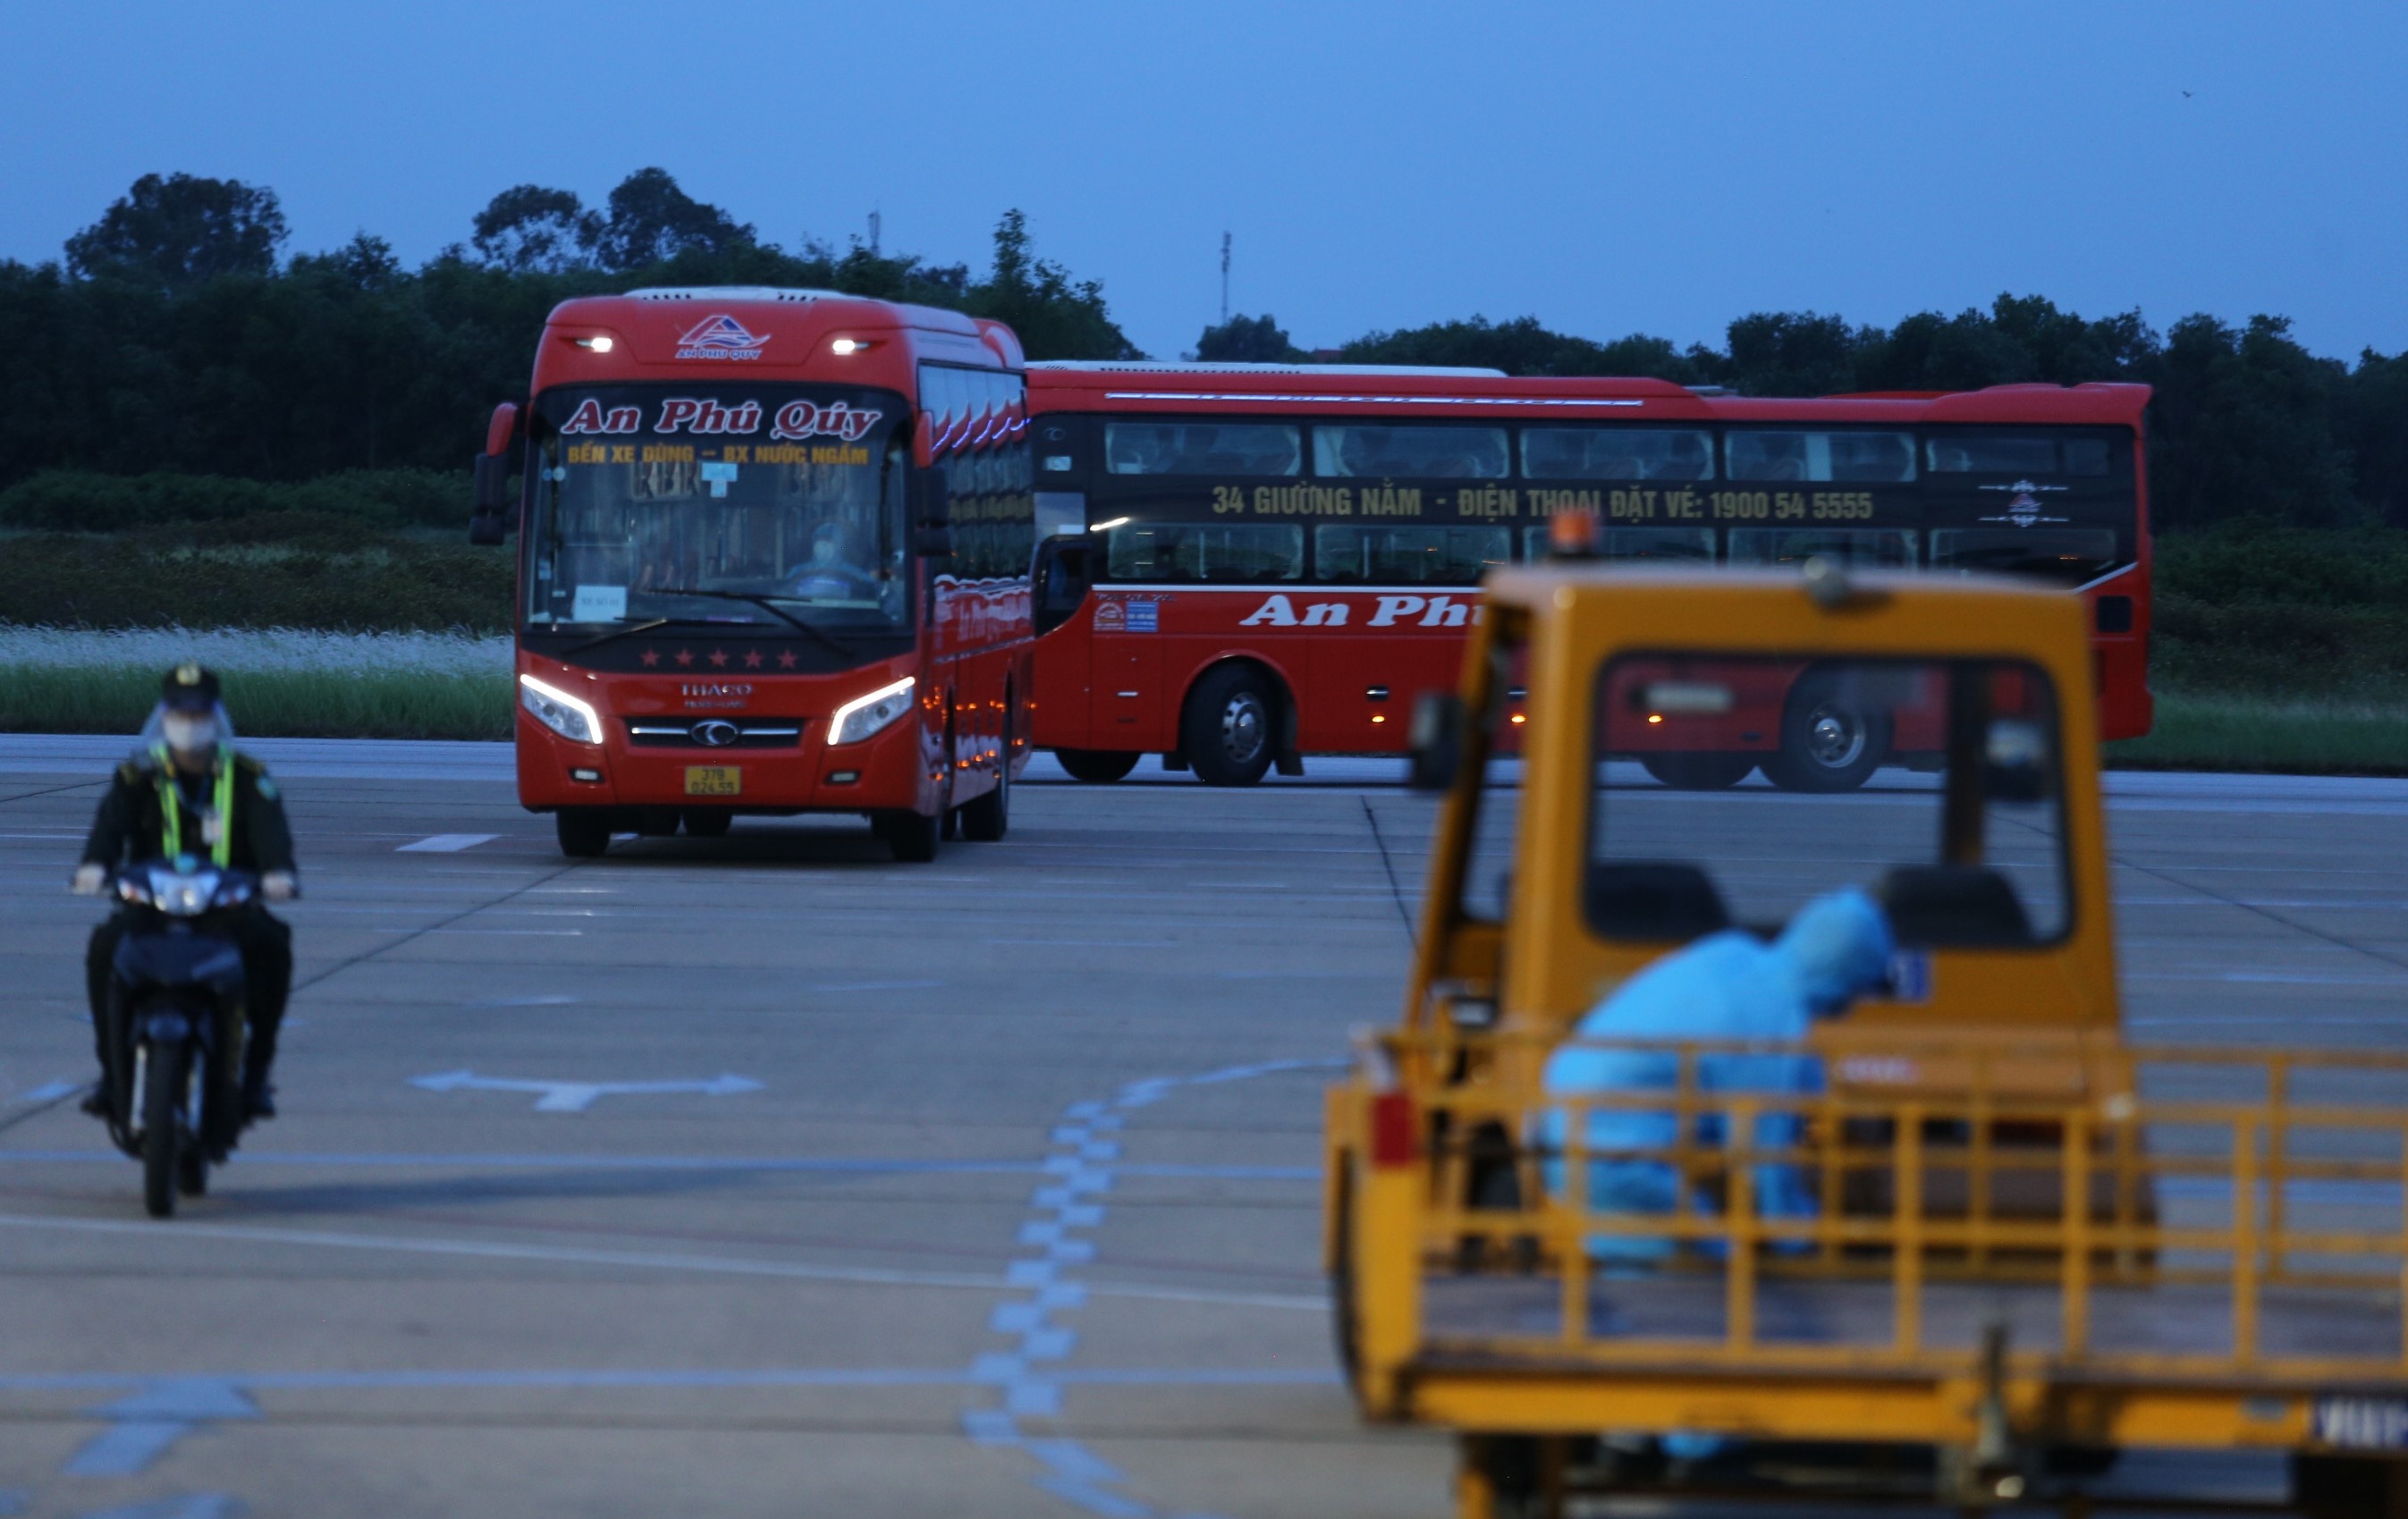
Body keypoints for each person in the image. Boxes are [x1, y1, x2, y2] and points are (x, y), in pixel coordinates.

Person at [1542, 888, 1895, 1262]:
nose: (1852, 1004)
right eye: (1858, 987)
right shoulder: (1768, 1021)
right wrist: (1803, 1242)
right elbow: (1764, 1161)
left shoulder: (1732, 953)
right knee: (1710, 1268)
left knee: (1665, 1253)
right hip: (1611, 1154)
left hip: (1558, 1130)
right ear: (1842, 974)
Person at [72, 664, 298, 1121]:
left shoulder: (247, 777)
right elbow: (110, 828)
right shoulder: (137, 775)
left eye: (198, 715)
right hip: (151, 906)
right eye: (180, 714)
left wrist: (278, 873)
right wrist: (94, 867)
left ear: (215, 717)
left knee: (273, 946)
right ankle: (112, 1076)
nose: (189, 724)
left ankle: (255, 1076)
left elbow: (271, 833)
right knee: (104, 949)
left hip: (225, 908)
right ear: (165, 716)